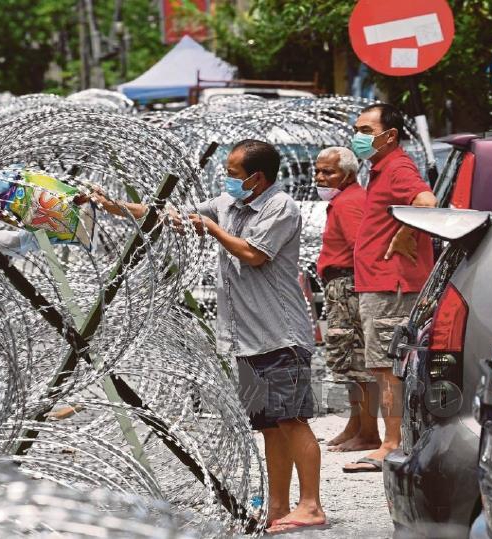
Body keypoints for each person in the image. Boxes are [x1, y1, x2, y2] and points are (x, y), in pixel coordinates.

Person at [88, 140, 325, 533]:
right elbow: (167, 216)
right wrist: (114, 207)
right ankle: (279, 507)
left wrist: (212, 229)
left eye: (233, 174)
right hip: (247, 338)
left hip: (280, 335)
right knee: (270, 426)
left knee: (293, 419)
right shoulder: (228, 205)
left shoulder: (280, 207)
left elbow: (253, 254)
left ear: (257, 177)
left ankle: (312, 505)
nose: (227, 181)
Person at [342, 103, 437, 473]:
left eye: (366, 130)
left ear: (390, 136)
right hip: (380, 284)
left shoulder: (397, 166)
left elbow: (426, 201)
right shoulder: (380, 169)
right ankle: (395, 441)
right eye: (357, 129)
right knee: (387, 367)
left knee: (389, 368)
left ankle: (391, 443)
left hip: (391, 286)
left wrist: (405, 233)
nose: (358, 137)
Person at [314, 147, 381, 453]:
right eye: (318, 171)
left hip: (349, 286)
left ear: (349, 174)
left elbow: (361, 248)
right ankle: (356, 425)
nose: (320, 177)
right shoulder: (344, 200)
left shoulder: (350, 202)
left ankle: (368, 432)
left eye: (328, 172)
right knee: (349, 362)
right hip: (341, 285)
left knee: (357, 360)